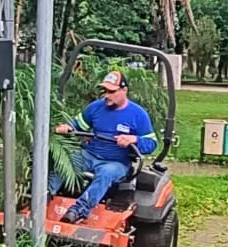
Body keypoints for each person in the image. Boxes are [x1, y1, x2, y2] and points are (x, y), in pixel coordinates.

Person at [51, 70, 158, 223]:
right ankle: (45, 195)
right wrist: (67, 127)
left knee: (106, 173)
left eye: (111, 91)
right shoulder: (95, 107)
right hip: (89, 155)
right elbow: (78, 124)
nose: (107, 95)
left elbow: (151, 143)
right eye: (105, 91)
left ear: (124, 90)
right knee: (66, 160)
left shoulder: (138, 115)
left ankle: (78, 211)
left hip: (116, 162)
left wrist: (133, 139)